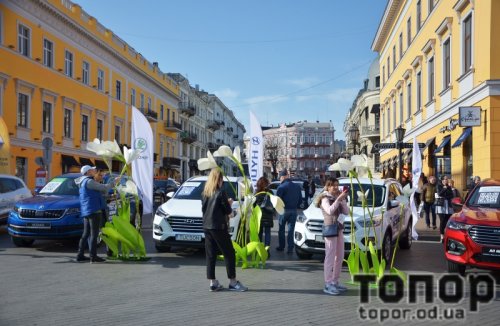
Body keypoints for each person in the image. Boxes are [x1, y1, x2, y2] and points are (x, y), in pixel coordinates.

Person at [201, 168, 247, 292]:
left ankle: (213, 282)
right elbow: (229, 213)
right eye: (221, 179)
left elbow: (206, 210)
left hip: (206, 226)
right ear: (219, 179)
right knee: (229, 253)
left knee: (210, 255)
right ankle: (233, 282)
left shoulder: (205, 192)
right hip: (218, 227)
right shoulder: (221, 193)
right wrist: (231, 204)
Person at [75, 165, 116, 263]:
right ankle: (93, 256)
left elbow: (95, 194)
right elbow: (103, 187)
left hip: (87, 210)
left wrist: (108, 196)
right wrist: (114, 182)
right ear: (88, 172)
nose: (94, 170)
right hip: (94, 210)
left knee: (86, 234)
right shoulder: (89, 181)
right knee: (94, 234)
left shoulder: (82, 182)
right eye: (93, 169)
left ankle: (80, 255)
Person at [316, 177, 349, 295]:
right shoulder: (325, 198)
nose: (335, 187)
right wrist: (338, 200)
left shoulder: (337, 197)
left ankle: (335, 281)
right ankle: (328, 283)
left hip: (339, 228)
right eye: (333, 185)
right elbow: (329, 211)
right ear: (328, 186)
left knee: (340, 255)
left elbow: (346, 212)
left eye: (337, 185)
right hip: (330, 228)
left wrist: (342, 200)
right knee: (330, 256)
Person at [276, 169, 303, 253]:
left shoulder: (281, 187)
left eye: (280, 177)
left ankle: (281, 246)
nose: (279, 179)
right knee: (291, 230)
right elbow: (300, 201)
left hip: (283, 211)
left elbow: (277, 200)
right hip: (294, 211)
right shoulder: (297, 187)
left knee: (281, 229)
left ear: (283, 177)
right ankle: (290, 248)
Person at [253, 176, 275, 248]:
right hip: (268, 216)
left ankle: (260, 250)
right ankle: (267, 250)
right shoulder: (270, 192)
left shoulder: (257, 193)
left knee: (259, 233)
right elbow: (274, 203)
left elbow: (253, 205)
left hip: (259, 216)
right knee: (268, 233)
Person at [436, 175, 454, 242]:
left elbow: (451, 195)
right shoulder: (439, 186)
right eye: (445, 179)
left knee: (447, 220)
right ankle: (441, 235)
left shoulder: (449, 187)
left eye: (447, 179)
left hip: (448, 205)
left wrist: (447, 189)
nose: (446, 180)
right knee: (442, 220)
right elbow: (439, 194)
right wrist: (444, 189)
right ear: (442, 180)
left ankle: (446, 233)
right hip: (441, 205)